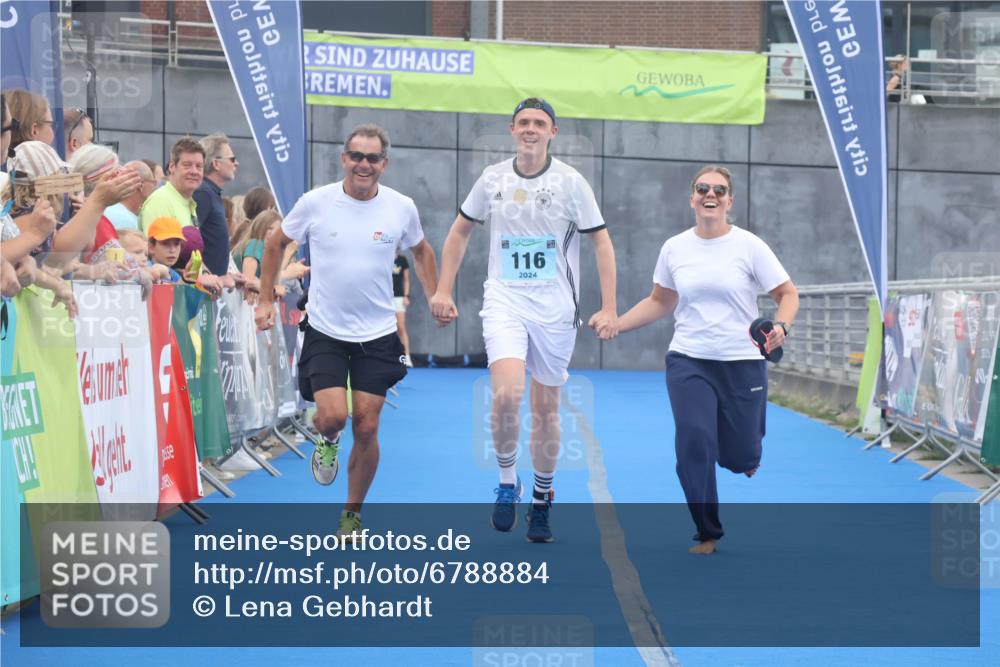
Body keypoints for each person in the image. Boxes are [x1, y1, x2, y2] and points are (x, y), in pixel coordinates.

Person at [431, 98, 618, 543]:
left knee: (546, 409)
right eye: (524, 123)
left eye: (540, 123)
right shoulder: (492, 178)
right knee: (506, 395)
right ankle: (506, 481)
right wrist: (442, 288)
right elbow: (459, 230)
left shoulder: (571, 183)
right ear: (512, 130)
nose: (531, 129)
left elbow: (602, 244)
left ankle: (542, 496)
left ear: (552, 132)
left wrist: (609, 306)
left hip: (555, 309)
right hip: (505, 301)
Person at [596, 165, 799, 555]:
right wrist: (618, 324)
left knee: (741, 457)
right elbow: (660, 300)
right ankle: (707, 531)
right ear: (692, 198)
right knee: (694, 441)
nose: (711, 195)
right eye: (703, 188)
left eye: (719, 190)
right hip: (689, 360)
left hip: (742, 362)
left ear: (729, 201)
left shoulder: (749, 246)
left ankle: (740, 452)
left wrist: (782, 327)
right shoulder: (675, 248)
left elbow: (788, 294)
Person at [255, 123, 439, 537]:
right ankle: (328, 440)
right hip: (325, 331)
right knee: (334, 417)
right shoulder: (316, 203)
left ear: (384, 164)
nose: (363, 164)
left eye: (372, 158)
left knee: (368, 426)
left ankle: (352, 514)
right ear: (344, 159)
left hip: (377, 334)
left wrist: (436, 295)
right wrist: (266, 299)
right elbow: (273, 243)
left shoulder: (400, 207)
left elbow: (422, 250)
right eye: (356, 155)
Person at [194, 133, 237, 276]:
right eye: (232, 159)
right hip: (202, 290)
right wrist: (205, 275)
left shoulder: (210, 193)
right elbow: (189, 242)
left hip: (212, 287)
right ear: (216, 164)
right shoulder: (203, 193)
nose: (236, 163)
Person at [139, 137, 204, 232]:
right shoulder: (160, 202)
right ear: (172, 167)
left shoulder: (187, 202)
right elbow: (157, 246)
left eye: (199, 166)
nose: (194, 171)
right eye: (187, 165)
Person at [392, 251, 413, 366]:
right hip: (384, 298)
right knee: (387, 330)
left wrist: (406, 295)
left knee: (401, 327)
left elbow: (406, 279)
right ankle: (390, 358)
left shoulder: (402, 260)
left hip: (399, 298)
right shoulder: (383, 257)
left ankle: (406, 357)